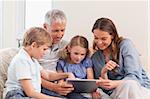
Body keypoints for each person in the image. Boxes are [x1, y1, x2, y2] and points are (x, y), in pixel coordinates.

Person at [3, 27, 73, 99]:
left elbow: (48, 76)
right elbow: (30, 92)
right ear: (33, 45)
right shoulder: (22, 60)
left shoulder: (33, 60)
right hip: (16, 94)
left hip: (29, 94)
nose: (45, 52)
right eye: (44, 49)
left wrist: (66, 74)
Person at [91, 17, 150, 99]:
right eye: (96, 38)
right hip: (116, 93)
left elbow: (135, 77)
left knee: (130, 85)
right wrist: (104, 73)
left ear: (112, 35)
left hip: (138, 88)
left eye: (103, 38)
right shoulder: (95, 57)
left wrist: (114, 83)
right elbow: (104, 87)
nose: (99, 42)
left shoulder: (125, 45)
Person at [38, 9, 74, 98]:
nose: (59, 35)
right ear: (45, 27)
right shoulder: (36, 47)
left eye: (62, 30)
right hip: (40, 84)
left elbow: (81, 49)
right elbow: (30, 74)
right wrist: (54, 87)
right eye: (55, 31)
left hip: (57, 82)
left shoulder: (65, 45)